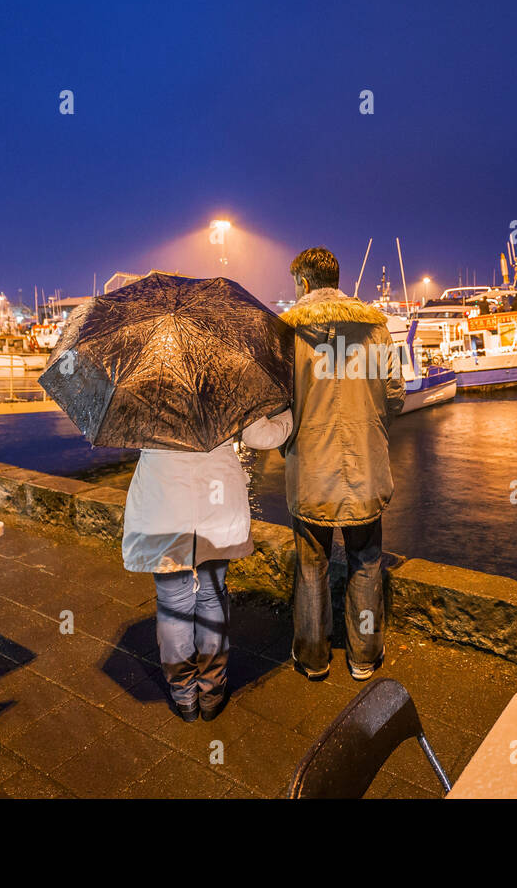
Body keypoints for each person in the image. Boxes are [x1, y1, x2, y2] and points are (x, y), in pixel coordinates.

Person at [280, 246, 405, 681]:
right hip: (364, 466)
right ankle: (364, 656)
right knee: (366, 562)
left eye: (296, 283)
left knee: (311, 565)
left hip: (310, 468)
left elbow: (277, 407)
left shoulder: (288, 334)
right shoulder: (375, 328)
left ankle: (314, 658)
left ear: (306, 283)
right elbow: (394, 395)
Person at [122, 410, 293, 722]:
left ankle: (184, 696)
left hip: (163, 501)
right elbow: (261, 437)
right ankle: (212, 691)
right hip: (217, 496)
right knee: (212, 597)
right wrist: (291, 415)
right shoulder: (226, 376)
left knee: (173, 604)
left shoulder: (148, 383)